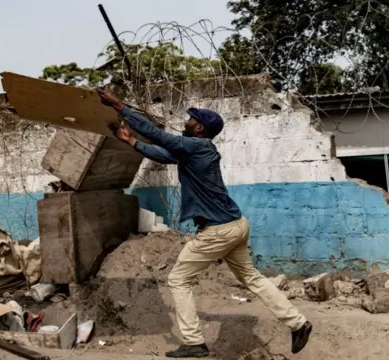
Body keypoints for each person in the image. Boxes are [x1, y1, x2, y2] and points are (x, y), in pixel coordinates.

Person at [96, 88, 312, 358]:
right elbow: (164, 154)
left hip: (218, 231)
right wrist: (131, 142)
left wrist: (120, 106)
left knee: (178, 280)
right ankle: (298, 323)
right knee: (252, 278)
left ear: (199, 129)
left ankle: (194, 342)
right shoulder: (196, 150)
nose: (185, 121)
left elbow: (158, 136)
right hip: (236, 224)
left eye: (191, 119)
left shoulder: (195, 146)